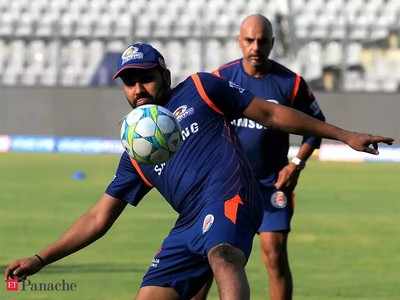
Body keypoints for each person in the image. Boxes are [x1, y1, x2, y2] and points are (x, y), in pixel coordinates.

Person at [3, 42, 393, 300]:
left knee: (223, 256)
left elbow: (272, 113)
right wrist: (41, 259)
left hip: (231, 199)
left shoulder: (202, 89)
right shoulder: (137, 151)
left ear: (164, 76)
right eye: (129, 82)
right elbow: (99, 216)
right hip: (189, 226)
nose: (138, 88)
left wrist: (344, 135)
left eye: (145, 77)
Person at [206, 14, 325, 300]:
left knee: (274, 254)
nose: (255, 47)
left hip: (272, 186)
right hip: (230, 186)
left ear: (272, 43)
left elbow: (316, 128)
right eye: (249, 40)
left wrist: (297, 164)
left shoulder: (290, 83)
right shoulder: (222, 78)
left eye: (262, 41)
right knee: (213, 258)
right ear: (239, 41)